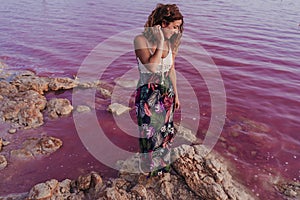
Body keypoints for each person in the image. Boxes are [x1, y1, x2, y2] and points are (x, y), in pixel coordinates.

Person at [134, 3, 184, 176]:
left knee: (166, 133)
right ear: (163, 23)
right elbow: (152, 68)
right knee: (149, 133)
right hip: (148, 95)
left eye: (179, 28)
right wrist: (161, 41)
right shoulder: (140, 40)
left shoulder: (172, 44)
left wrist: (176, 94)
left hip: (166, 95)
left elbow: (171, 70)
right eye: (174, 27)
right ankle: (149, 171)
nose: (177, 31)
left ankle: (163, 169)